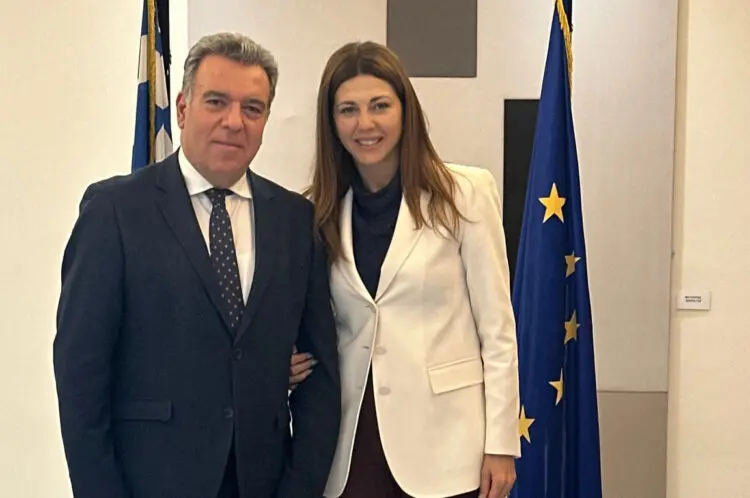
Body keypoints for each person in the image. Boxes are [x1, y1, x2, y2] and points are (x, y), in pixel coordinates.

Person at [53, 32, 340, 498]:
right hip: (151, 482)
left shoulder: (295, 220)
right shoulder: (115, 211)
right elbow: (81, 379)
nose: (234, 122)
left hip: (264, 482)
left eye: (252, 108)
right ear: (183, 109)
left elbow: (320, 379)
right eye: (216, 101)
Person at [289, 41, 521, 498]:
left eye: (380, 106)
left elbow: (497, 330)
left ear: (405, 110)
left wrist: (501, 443)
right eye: (348, 110)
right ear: (331, 122)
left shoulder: (466, 193)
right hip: (351, 440)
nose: (365, 123)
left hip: (448, 442)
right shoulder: (316, 211)